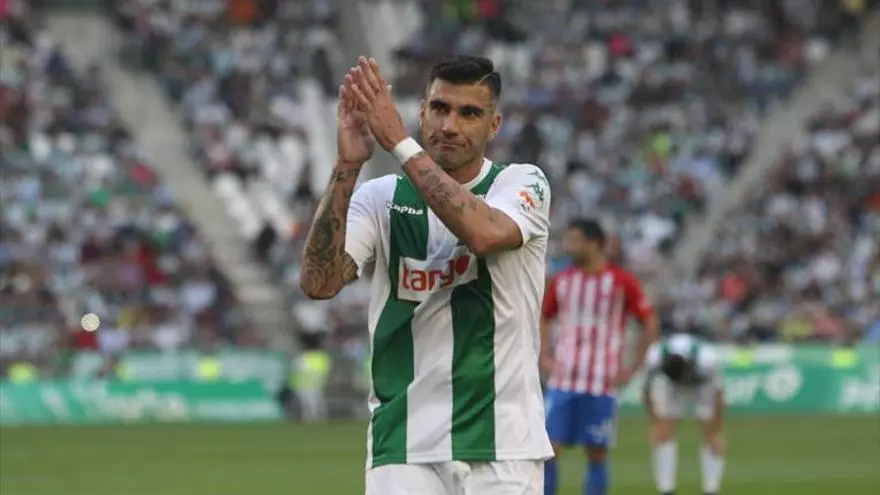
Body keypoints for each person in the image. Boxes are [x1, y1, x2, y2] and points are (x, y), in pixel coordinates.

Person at [299, 55, 553, 494]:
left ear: (493, 126)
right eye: (440, 108)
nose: (450, 125)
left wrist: (399, 142)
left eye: (469, 113)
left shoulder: (521, 183)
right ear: (422, 112)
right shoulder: (380, 198)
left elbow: (485, 234)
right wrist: (347, 166)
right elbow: (318, 283)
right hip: (402, 446)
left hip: (503, 444)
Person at [540, 219, 659, 495]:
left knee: (596, 452)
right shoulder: (562, 280)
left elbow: (649, 322)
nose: (568, 246)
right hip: (563, 379)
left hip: (601, 382)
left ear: (594, 244)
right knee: (548, 450)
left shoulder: (621, 281)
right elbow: (544, 316)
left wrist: (633, 367)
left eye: (574, 241)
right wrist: (543, 354)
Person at [643, 332, 726, 495]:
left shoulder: (707, 360)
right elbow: (646, 390)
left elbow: (718, 395)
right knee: (663, 434)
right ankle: (666, 490)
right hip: (671, 387)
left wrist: (717, 429)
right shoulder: (654, 356)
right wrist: (655, 424)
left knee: (710, 435)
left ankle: (711, 490)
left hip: (702, 386)